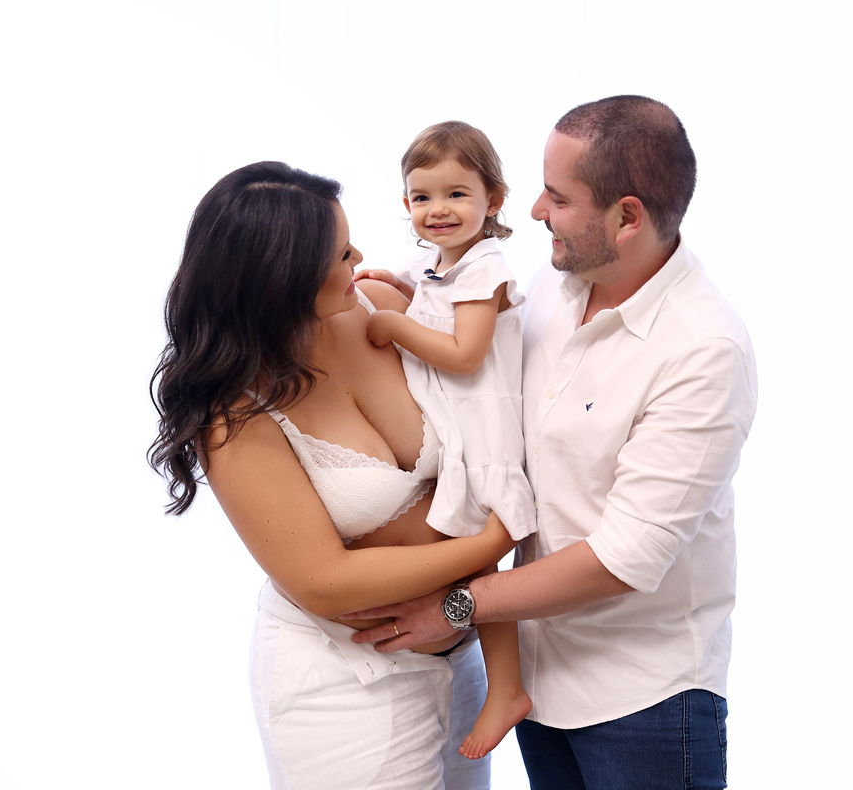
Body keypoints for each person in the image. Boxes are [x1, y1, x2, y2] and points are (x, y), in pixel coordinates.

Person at [344, 96, 759, 789]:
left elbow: (623, 559)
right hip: (541, 687)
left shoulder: (703, 349)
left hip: (645, 704)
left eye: (559, 198)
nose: (535, 210)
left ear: (628, 217)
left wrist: (454, 606)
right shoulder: (552, 287)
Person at [148, 161, 518, 790]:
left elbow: (490, 405)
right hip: (345, 684)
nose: (360, 259)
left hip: (459, 655)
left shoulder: (380, 306)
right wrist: (493, 542)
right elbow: (325, 581)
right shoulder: (235, 412)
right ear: (282, 279)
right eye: (341, 253)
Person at [355, 121, 536, 759]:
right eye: (423, 197)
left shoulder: (485, 267)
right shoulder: (438, 264)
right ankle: (499, 682)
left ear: (494, 199)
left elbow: (464, 352)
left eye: (457, 194)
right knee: (466, 552)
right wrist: (397, 286)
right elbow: (430, 299)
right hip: (459, 425)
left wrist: (393, 323)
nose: (439, 210)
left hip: (487, 427)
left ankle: (506, 687)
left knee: (479, 557)